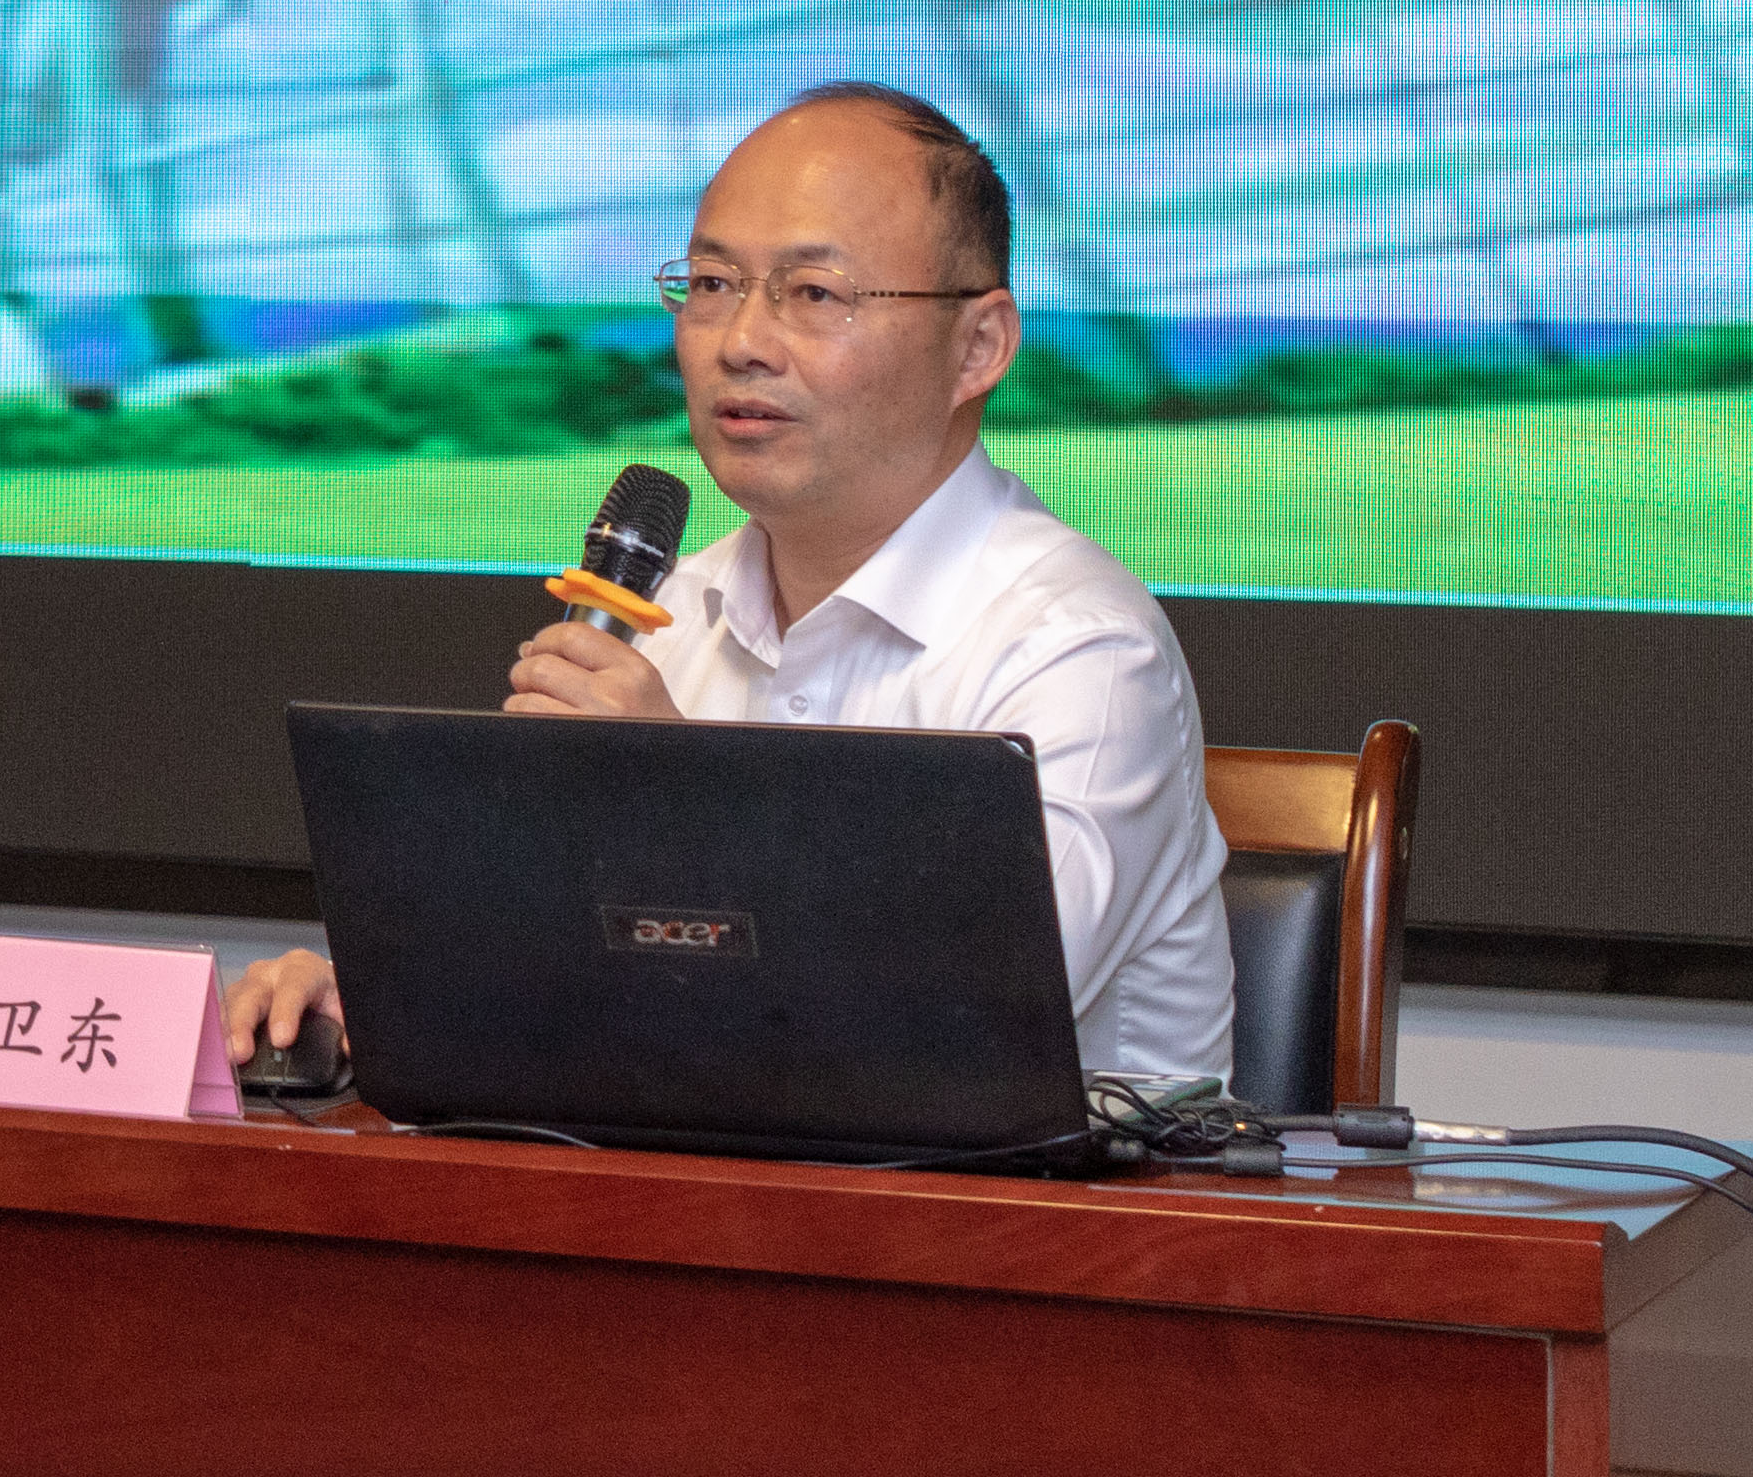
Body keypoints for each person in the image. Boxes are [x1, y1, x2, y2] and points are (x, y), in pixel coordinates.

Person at [224, 80, 1237, 1083]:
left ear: (978, 346)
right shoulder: (667, 619)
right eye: (711, 285)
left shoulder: (1081, 652)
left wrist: (680, 802)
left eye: (815, 293)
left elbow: (954, 1028)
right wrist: (382, 1000)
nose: (741, 343)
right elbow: (560, 984)